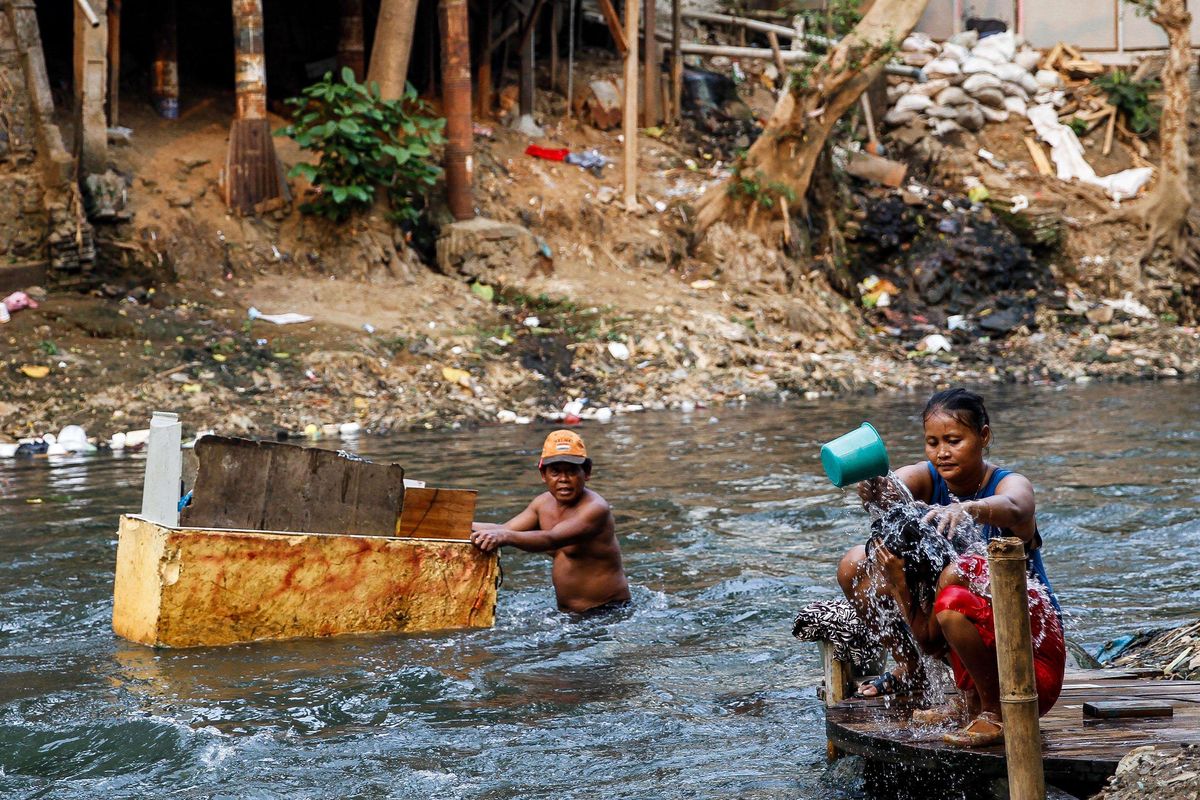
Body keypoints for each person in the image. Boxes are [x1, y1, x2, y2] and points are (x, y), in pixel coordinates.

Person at [836, 387, 1059, 700]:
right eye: (933, 442)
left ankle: (985, 702)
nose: (942, 452)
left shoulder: (1009, 483)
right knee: (854, 564)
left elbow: (1017, 504)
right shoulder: (926, 477)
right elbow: (894, 489)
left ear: (983, 436)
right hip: (943, 614)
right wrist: (874, 487)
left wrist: (969, 508)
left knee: (953, 580)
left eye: (954, 441)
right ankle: (909, 666)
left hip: (1013, 628)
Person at [868, 508, 1064, 747]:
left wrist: (899, 584)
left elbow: (928, 641)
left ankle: (993, 713)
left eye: (887, 562)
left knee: (950, 609)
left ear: (912, 561)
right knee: (946, 614)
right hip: (1018, 674)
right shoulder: (943, 569)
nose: (883, 570)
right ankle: (972, 702)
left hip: (1030, 684)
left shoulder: (953, 573)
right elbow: (935, 642)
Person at [471, 430, 631, 614]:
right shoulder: (542, 503)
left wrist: (504, 536)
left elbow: (550, 539)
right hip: (568, 615)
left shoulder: (595, 508)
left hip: (608, 612)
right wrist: (456, 524)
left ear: (586, 472)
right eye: (555, 472)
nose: (563, 479)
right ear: (543, 474)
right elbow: (504, 528)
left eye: (571, 471)